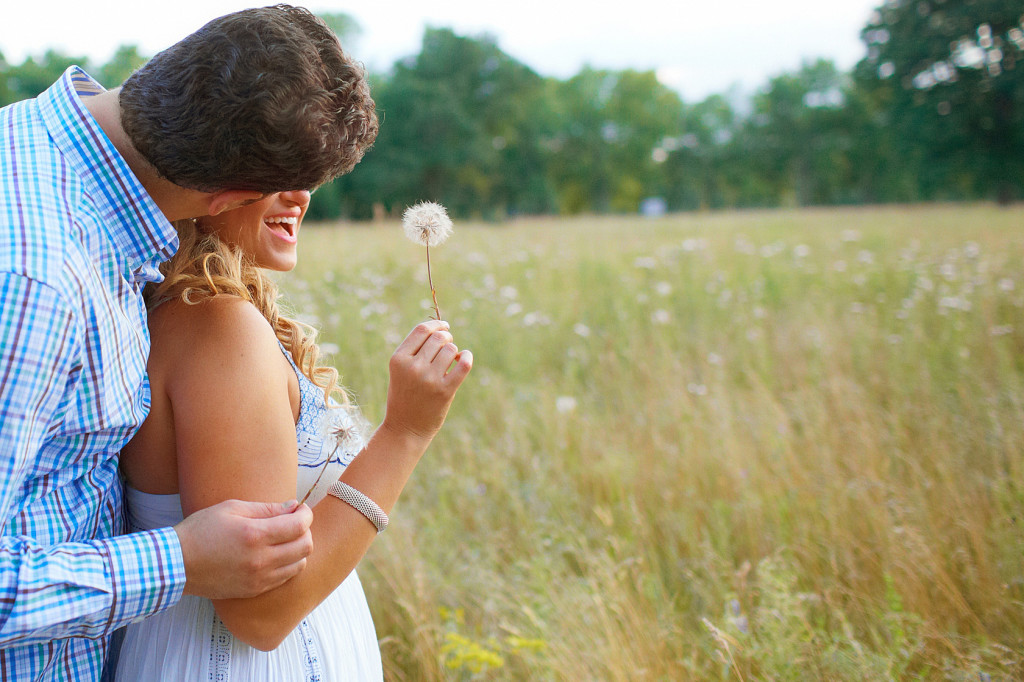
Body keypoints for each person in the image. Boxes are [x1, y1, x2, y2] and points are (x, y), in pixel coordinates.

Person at [0, 5, 378, 679]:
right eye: (290, 189)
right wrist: (179, 560)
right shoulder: (37, 276)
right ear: (225, 202)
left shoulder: (35, 147)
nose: (302, 204)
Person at [112, 186, 472, 678]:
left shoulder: (201, 310)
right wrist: (406, 432)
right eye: (275, 170)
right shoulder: (217, 327)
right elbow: (260, 613)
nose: (300, 192)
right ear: (209, 181)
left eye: (307, 172)